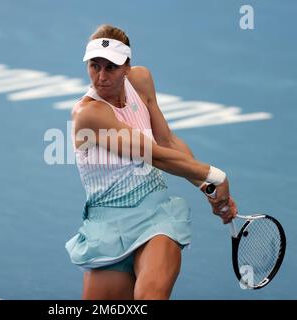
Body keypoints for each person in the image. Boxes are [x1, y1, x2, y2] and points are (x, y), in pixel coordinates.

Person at [65, 24, 238, 300]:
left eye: (111, 67)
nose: (101, 76)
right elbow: (152, 153)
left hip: (156, 216)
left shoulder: (141, 81)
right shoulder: (88, 114)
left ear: (127, 67)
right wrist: (215, 176)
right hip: (106, 229)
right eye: (94, 66)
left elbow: (166, 141)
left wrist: (206, 186)